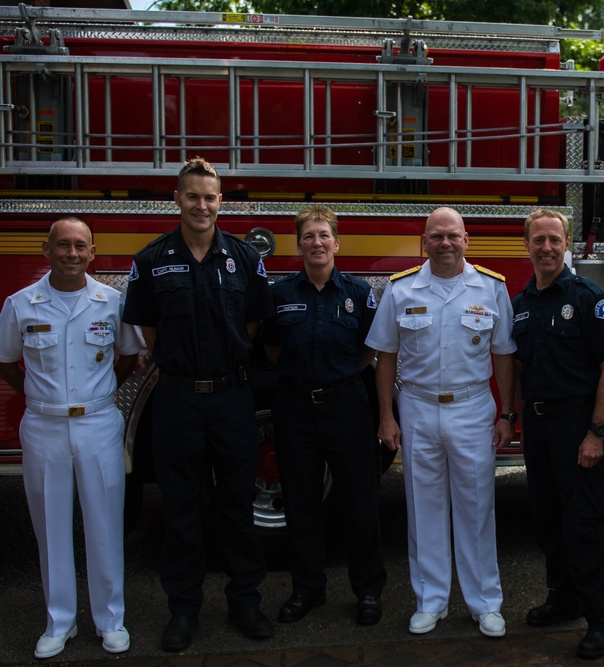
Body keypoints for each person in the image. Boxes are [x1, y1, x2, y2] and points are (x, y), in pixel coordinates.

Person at [123, 157, 275, 652]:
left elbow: (253, 325)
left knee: (237, 506)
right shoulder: (151, 260)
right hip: (177, 400)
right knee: (181, 509)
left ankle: (245, 602)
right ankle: (183, 609)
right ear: (178, 199)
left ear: (220, 202)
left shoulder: (244, 259)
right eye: (193, 196)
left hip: (232, 396)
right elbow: (148, 331)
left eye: (210, 197)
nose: (202, 205)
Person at [366, 207, 516, 638]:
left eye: (453, 235)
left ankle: (485, 603)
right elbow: (385, 355)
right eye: (436, 236)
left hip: (472, 408)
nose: (445, 243)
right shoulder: (401, 289)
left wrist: (507, 412)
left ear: (466, 239)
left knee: (476, 508)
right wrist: (386, 414)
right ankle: (430, 601)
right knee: (424, 507)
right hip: (417, 407)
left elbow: (504, 354)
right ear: (424, 242)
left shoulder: (491, 288)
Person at [0, 217, 141, 659]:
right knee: (50, 526)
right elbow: (6, 362)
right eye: (63, 245)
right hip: (43, 427)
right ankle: (59, 621)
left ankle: (110, 619)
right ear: (46, 250)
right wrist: (40, 398)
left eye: (81, 246)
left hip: (98, 424)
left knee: (104, 525)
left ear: (93, 253)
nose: (72, 254)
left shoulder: (111, 302)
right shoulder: (21, 304)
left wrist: (95, 398)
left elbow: (129, 358)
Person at [260, 205, 387, 627]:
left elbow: (371, 347)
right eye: (309, 236)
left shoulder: (358, 293)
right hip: (296, 408)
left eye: (324, 235)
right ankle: (307, 589)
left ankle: (368, 589)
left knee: (360, 503)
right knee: (301, 504)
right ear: (299, 245)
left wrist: (341, 376)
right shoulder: (280, 295)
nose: (317, 242)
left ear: (337, 242)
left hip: (346, 406)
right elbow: (273, 349)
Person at [510, 209, 604, 660]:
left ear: (567, 244)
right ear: (528, 246)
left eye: (554, 240)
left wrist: (597, 431)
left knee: (585, 525)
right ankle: (564, 598)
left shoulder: (587, 297)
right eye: (538, 240)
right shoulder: (522, 303)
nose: (546, 248)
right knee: (547, 518)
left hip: (576, 425)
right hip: (538, 427)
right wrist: (516, 417)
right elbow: (519, 366)